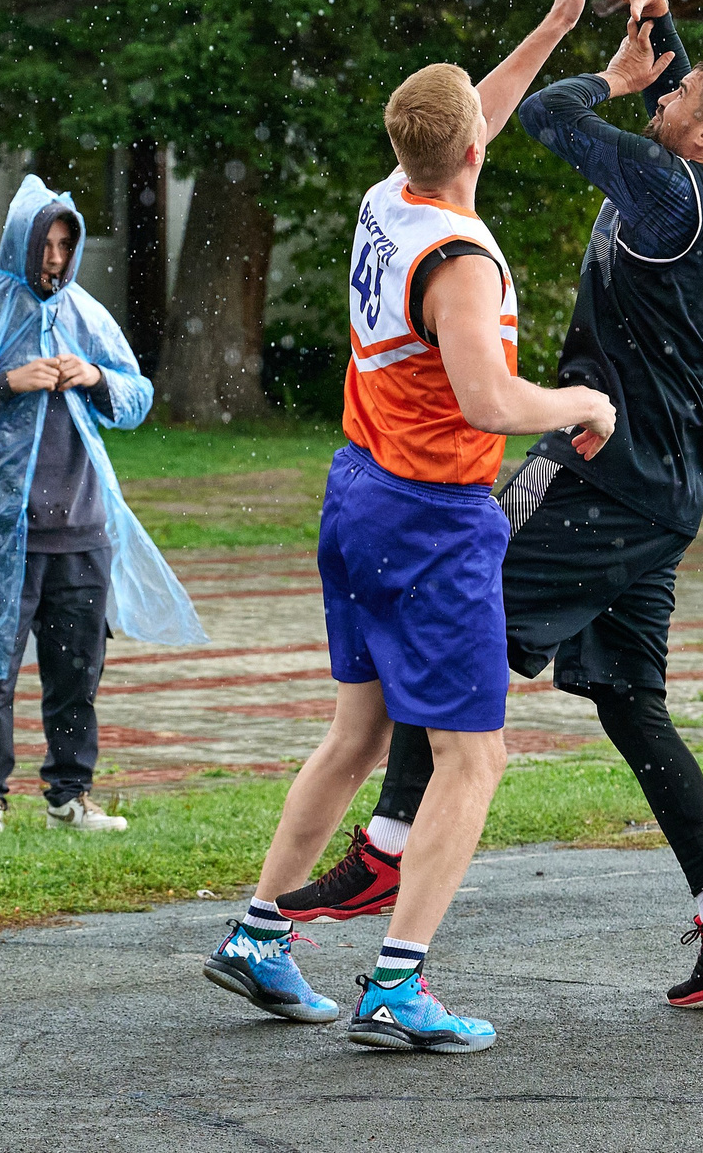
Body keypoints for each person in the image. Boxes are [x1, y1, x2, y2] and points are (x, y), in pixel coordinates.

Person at [277, 0, 703, 1011]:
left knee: (455, 629)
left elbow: (557, 114)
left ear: (700, 135)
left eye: (674, 93)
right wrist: (651, 9)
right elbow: (691, 98)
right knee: (630, 703)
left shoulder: (667, 188)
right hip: (672, 485)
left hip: (601, 469)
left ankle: (383, 844)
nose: (660, 87)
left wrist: (600, 65)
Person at [202, 55, 615, 1052]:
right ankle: (396, 986)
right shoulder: (462, 264)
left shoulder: (390, 198)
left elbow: (469, 121)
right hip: (429, 520)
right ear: (473, 148)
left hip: (357, 493)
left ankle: (259, 936)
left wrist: (561, 29)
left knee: (357, 737)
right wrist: (580, 405)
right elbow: (490, 403)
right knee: (472, 758)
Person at [0, 176, 207, 841]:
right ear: (21, 243)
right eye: (45, 242)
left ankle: (70, 794)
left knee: (78, 671)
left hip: (82, 530)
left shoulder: (88, 316)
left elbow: (136, 395)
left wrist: (96, 378)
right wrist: (3, 383)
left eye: (65, 242)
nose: (54, 256)